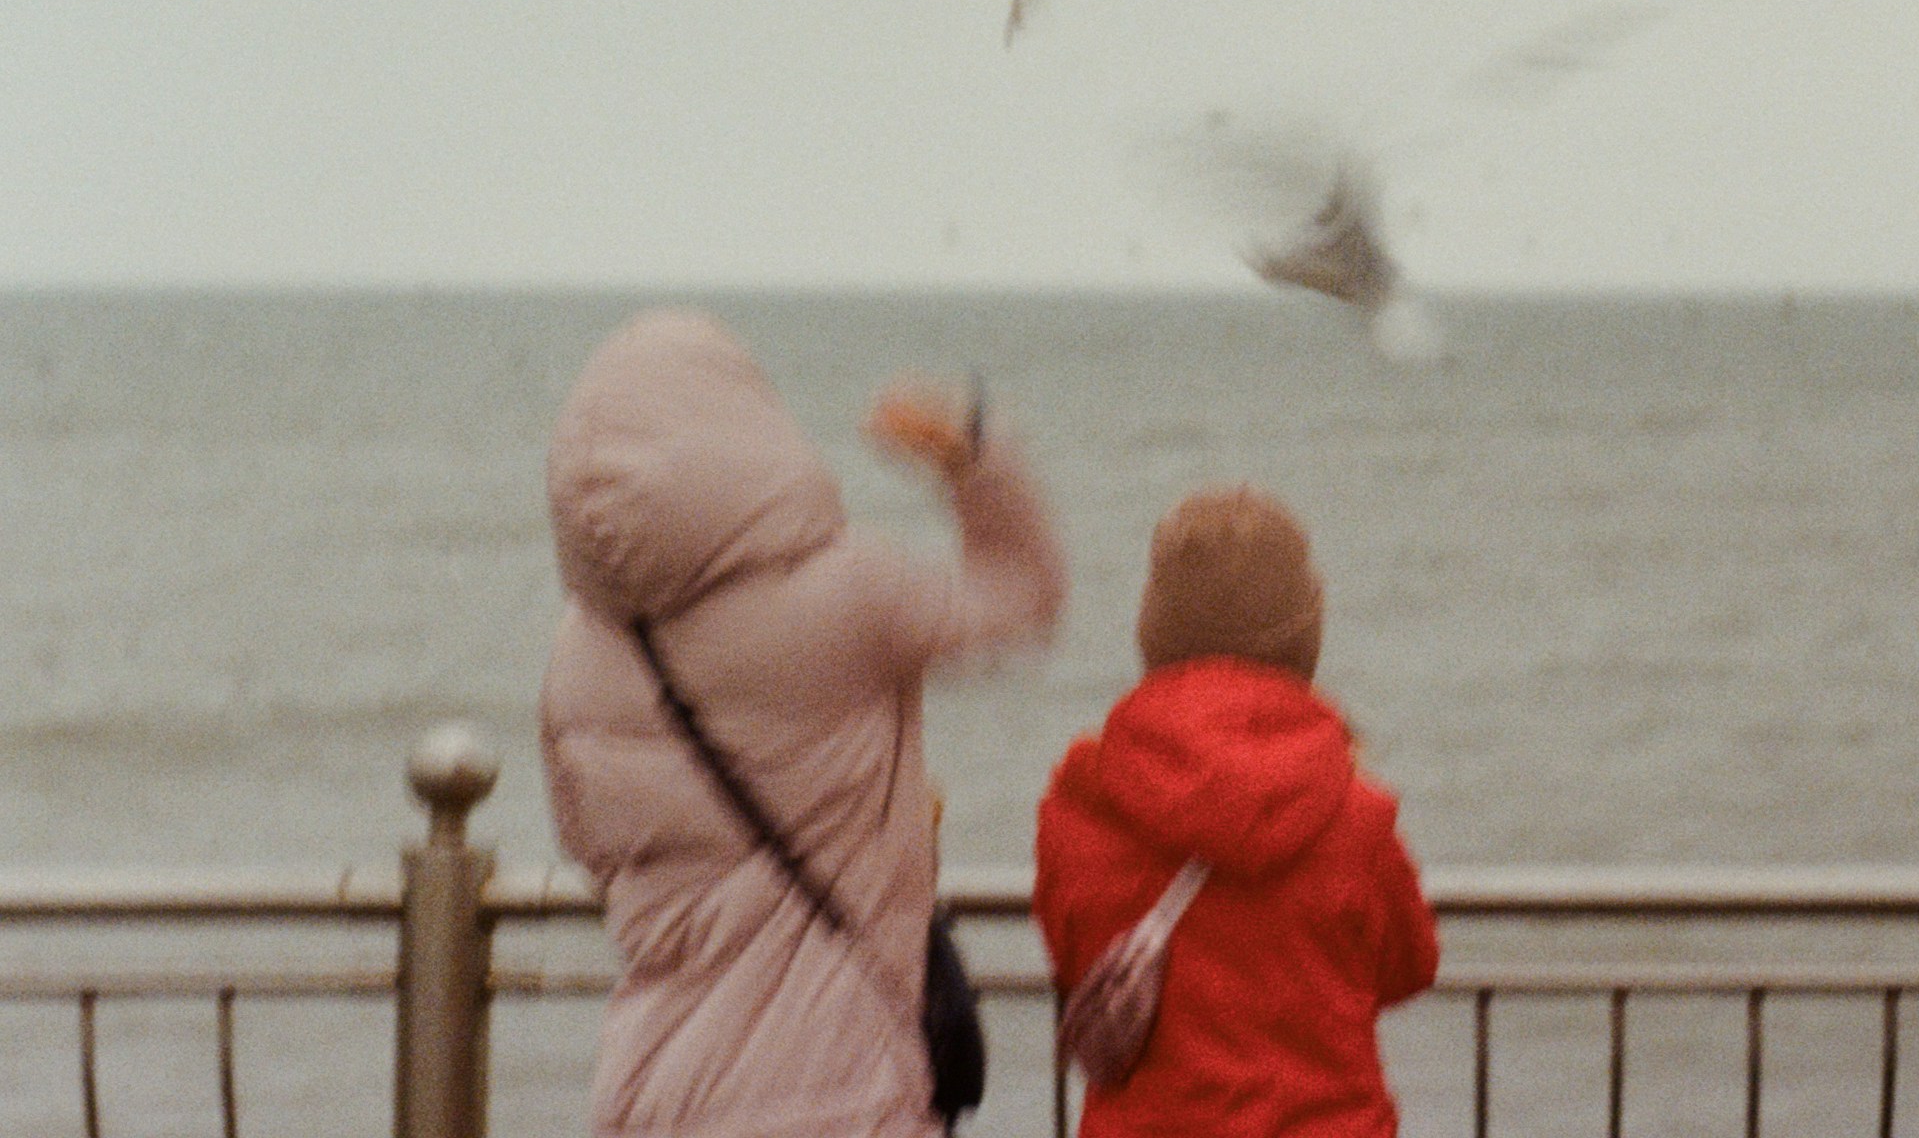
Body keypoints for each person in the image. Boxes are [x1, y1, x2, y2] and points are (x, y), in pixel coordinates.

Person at [540, 308, 1066, 1138]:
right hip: (842, 1091)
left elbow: (588, 842)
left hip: (648, 1092)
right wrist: (972, 452)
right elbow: (1022, 597)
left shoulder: (578, 653)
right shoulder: (853, 595)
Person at [1035, 486, 1438, 1138]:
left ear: (1156, 631)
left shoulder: (1082, 801)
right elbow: (1407, 965)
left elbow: (1076, 960)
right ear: (1303, 636)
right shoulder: (1353, 812)